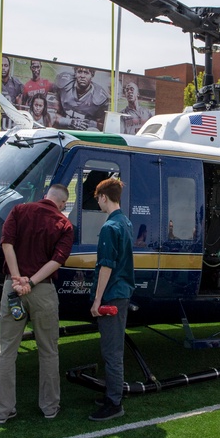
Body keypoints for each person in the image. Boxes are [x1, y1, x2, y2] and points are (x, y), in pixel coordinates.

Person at [0, 183, 74, 424]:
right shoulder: (65, 225)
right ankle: (49, 407)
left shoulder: (19, 210)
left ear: (44, 195)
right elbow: (57, 261)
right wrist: (31, 281)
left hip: (13, 288)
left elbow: (6, 243)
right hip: (43, 291)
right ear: (62, 204)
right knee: (48, 351)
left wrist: (18, 279)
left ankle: (2, 411)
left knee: (6, 351)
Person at [88, 177, 135, 421]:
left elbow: (106, 266)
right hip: (122, 293)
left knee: (111, 351)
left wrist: (97, 300)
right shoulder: (125, 222)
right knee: (113, 349)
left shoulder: (109, 227)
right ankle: (112, 393)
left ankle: (114, 402)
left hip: (112, 296)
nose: (97, 203)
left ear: (104, 197)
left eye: (98, 198)